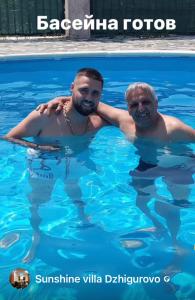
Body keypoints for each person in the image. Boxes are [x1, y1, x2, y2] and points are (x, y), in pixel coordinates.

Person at [38, 82, 195, 247]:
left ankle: (176, 246)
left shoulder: (174, 128)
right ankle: (157, 226)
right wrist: (58, 99)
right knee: (141, 202)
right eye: (134, 104)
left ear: (156, 103)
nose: (141, 108)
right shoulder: (124, 121)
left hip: (179, 166)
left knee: (172, 208)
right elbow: (90, 103)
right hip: (148, 164)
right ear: (128, 109)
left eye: (146, 102)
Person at [2, 68, 109, 262]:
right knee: (39, 200)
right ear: (72, 88)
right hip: (44, 163)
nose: (89, 97)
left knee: (74, 189)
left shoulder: (97, 121)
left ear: (100, 96)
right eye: (84, 90)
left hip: (76, 160)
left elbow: (128, 119)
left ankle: (82, 217)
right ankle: (37, 234)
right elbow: (9, 137)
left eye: (95, 93)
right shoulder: (46, 115)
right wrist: (38, 146)